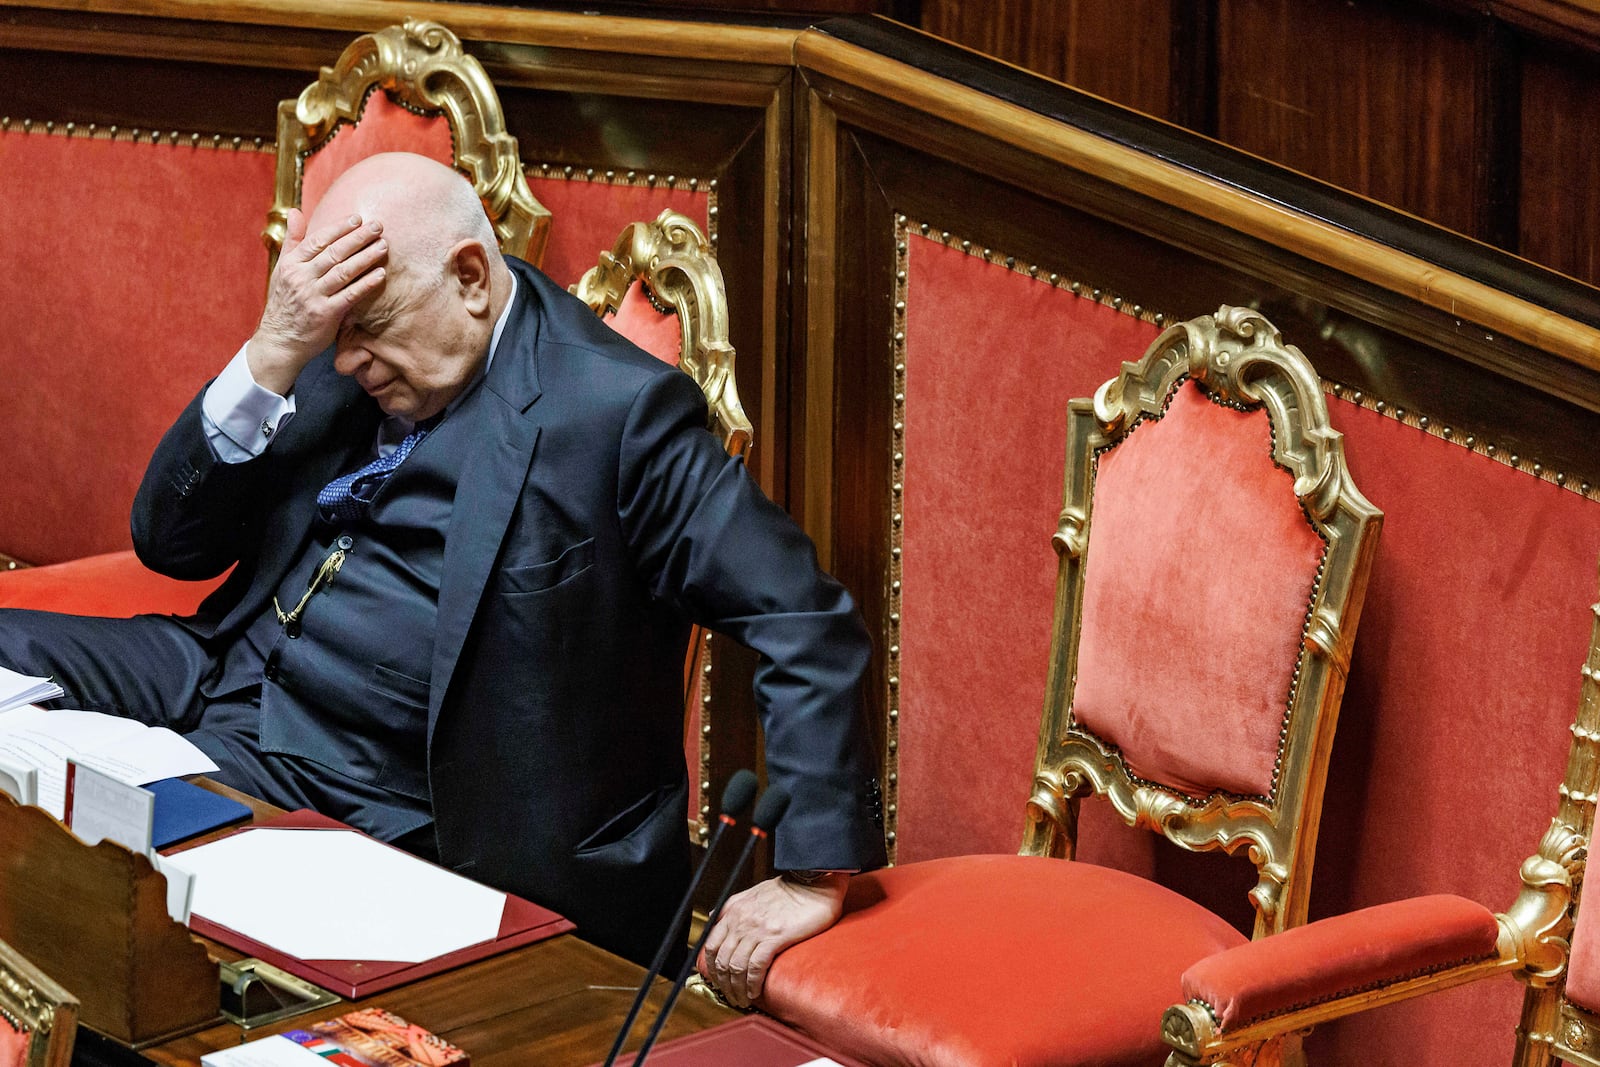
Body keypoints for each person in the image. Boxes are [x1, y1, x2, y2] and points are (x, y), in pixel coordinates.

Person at [0, 152, 883, 1005]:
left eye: (369, 334)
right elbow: (168, 541)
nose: (345, 364)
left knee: (105, 910)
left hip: (392, 797)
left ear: (469, 277)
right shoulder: (339, 332)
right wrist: (274, 348)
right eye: (331, 337)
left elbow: (804, 616)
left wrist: (812, 873)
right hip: (217, 675)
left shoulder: (615, 415)